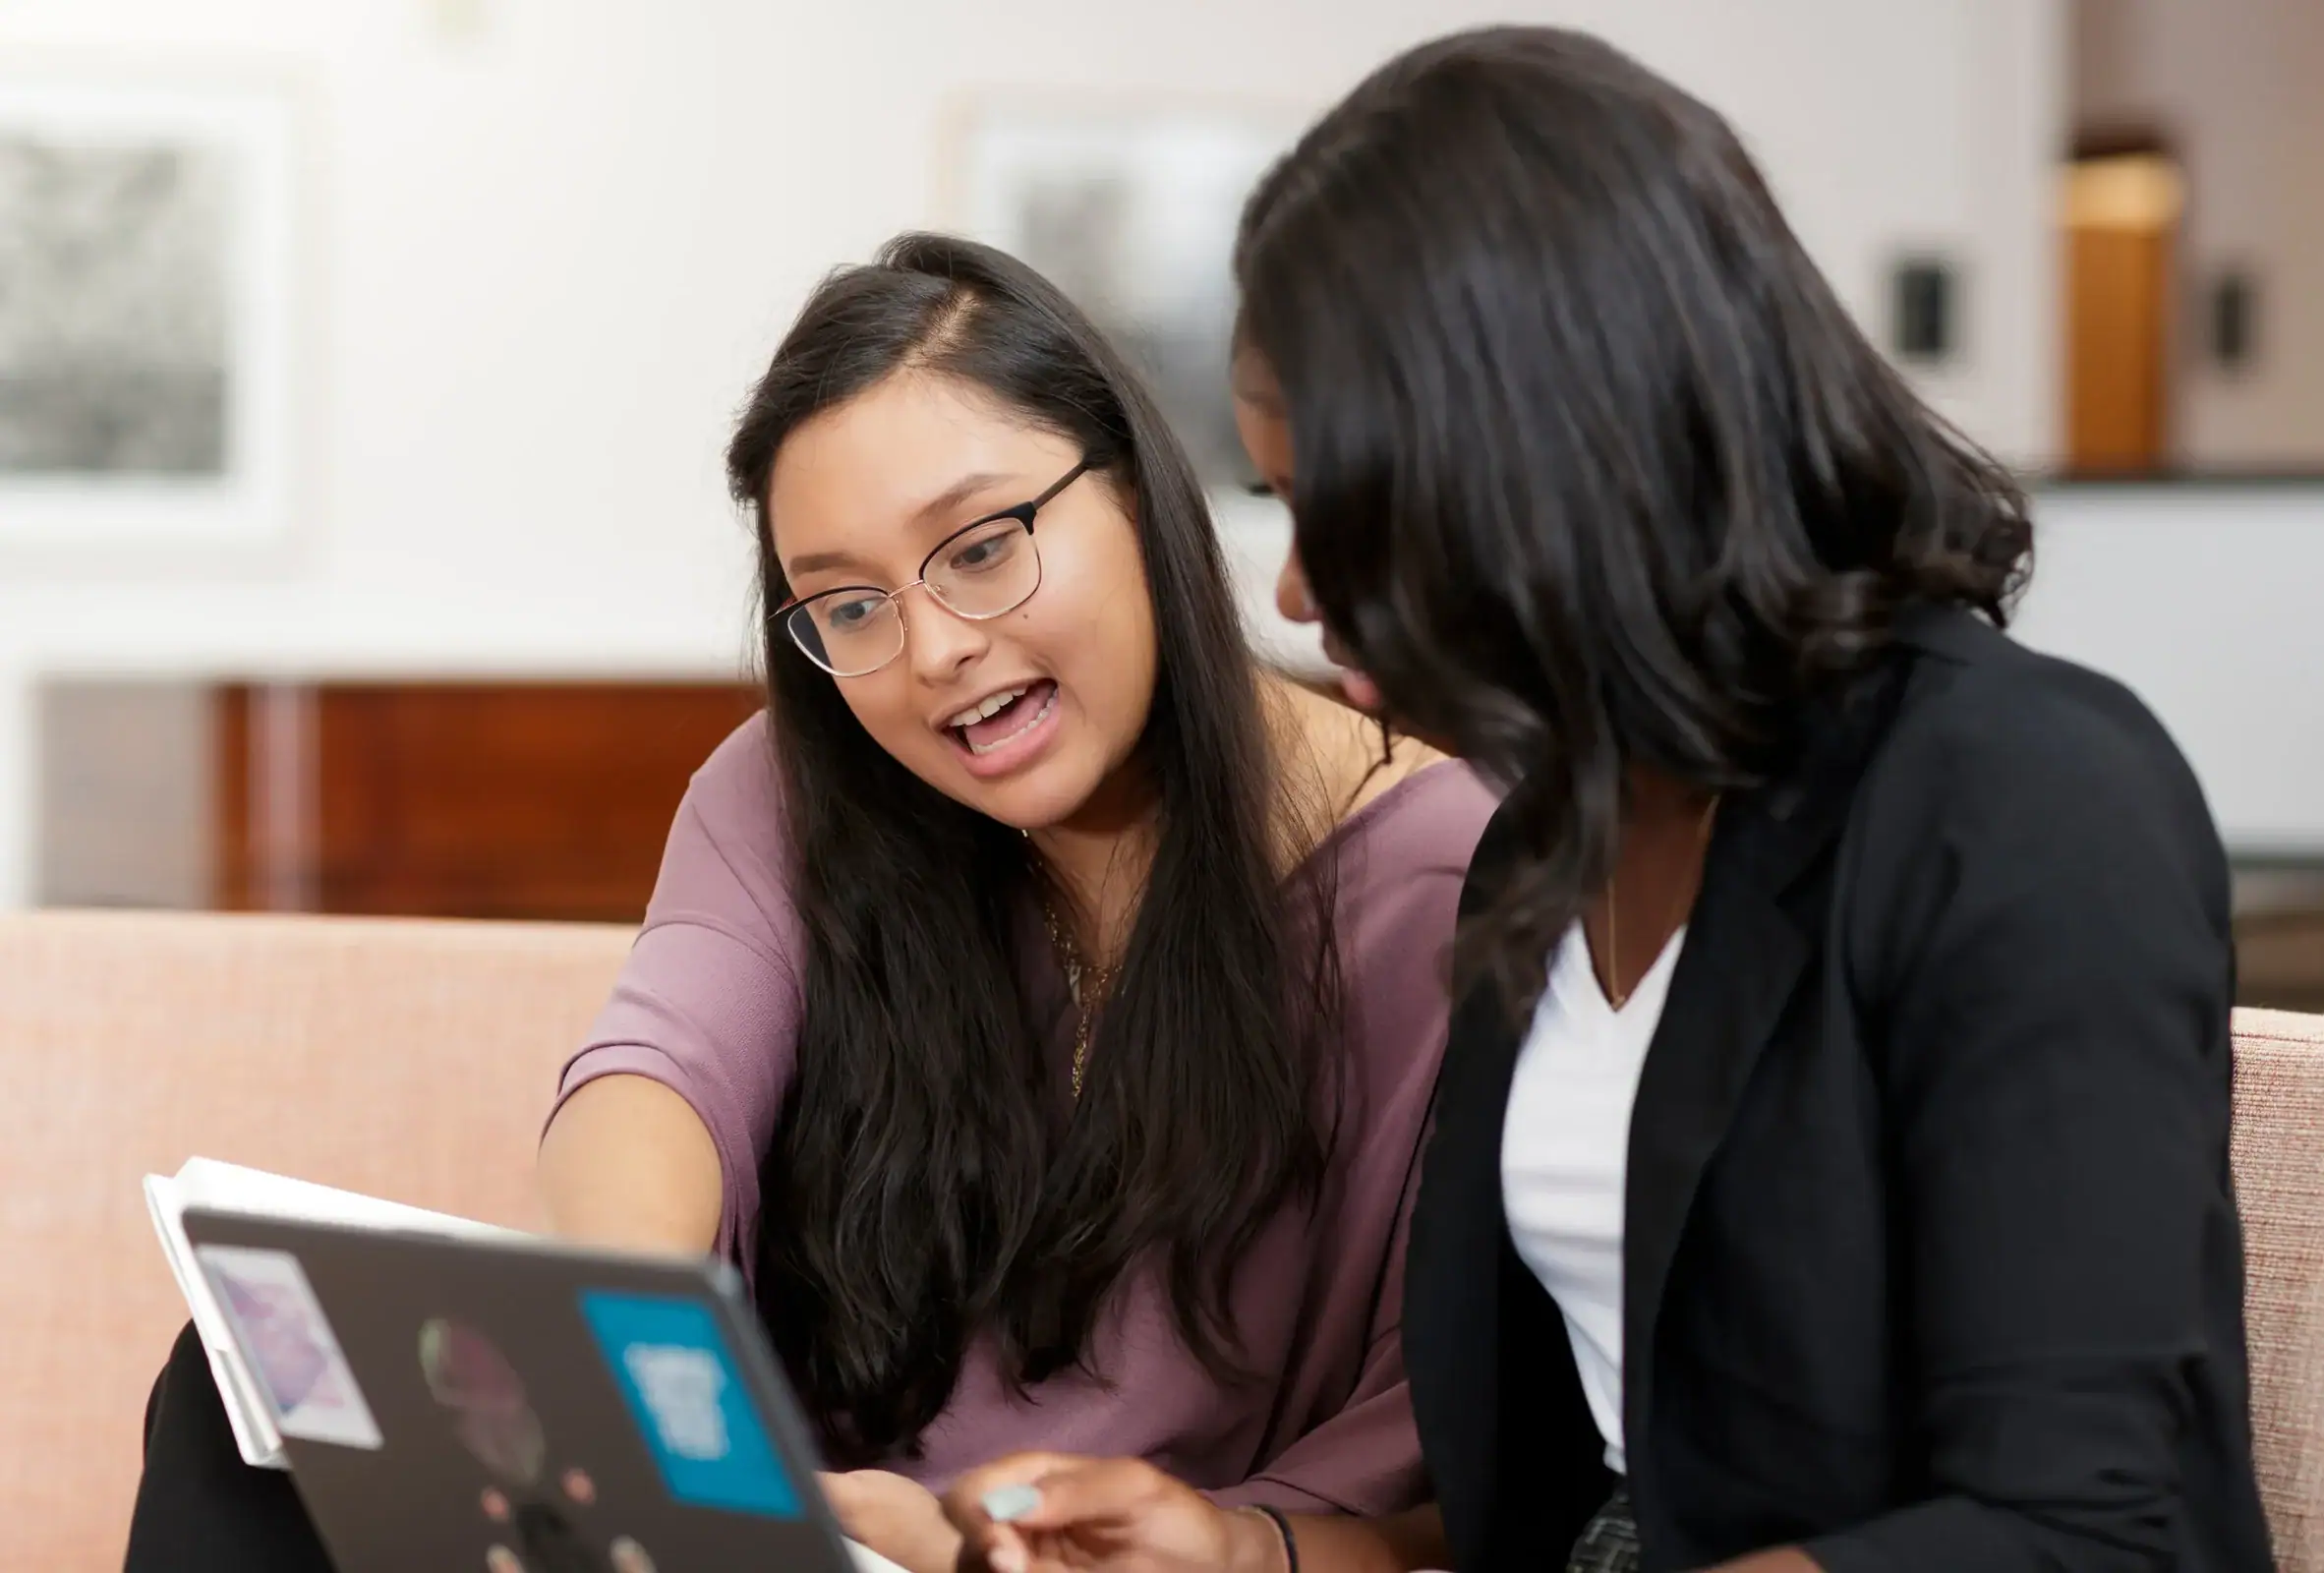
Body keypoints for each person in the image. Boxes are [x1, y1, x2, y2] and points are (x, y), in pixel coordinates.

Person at [941, 27, 2275, 1573]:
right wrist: (1248, 1555)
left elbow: (2085, 1530)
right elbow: (1569, 1509)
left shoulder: (2025, 801)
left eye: (1337, 514)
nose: (1300, 593)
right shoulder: (1544, 851)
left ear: (1534, 469)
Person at [123, 234, 1498, 1572]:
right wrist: (614, 1351)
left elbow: (1447, 1483)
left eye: (978, 546)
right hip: (779, 1532)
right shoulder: (799, 785)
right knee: (244, 1399)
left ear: (1139, 489)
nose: (936, 652)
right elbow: (660, 1074)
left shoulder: (1451, 882)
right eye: (847, 606)